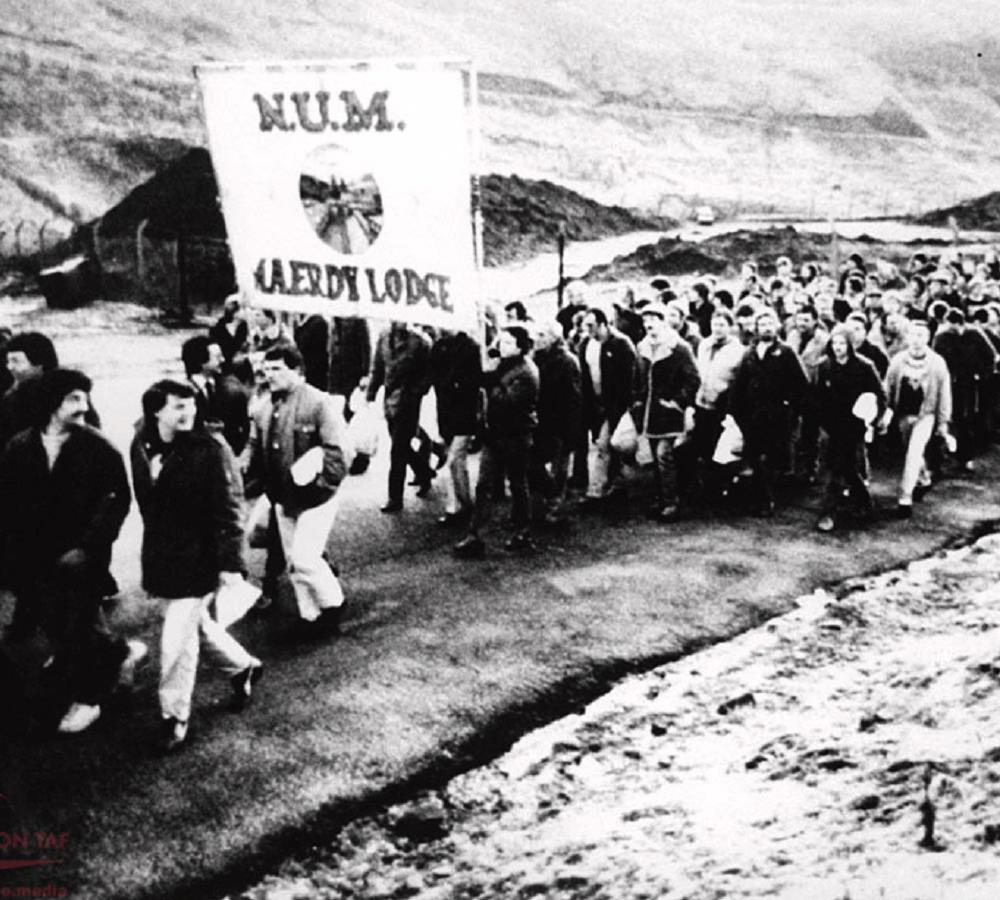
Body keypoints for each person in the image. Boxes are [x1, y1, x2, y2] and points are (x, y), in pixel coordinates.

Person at [0, 368, 144, 734]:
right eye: (73, 398)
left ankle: (90, 698)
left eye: (85, 397)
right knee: (58, 624)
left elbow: (116, 501)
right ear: (52, 403)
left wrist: (88, 547)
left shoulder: (97, 447)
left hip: (81, 561)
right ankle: (119, 654)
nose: (83, 406)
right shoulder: (20, 447)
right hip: (34, 560)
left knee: (77, 625)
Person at [131, 380, 261, 753]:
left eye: (190, 406)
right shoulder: (141, 440)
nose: (188, 414)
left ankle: (175, 718)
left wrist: (230, 563)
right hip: (162, 557)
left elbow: (230, 507)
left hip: (199, 558)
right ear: (156, 411)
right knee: (195, 629)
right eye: (178, 407)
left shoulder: (211, 448)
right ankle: (243, 667)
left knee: (175, 643)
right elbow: (147, 502)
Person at [245, 345, 349, 631]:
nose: (270, 375)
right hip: (282, 497)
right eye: (266, 370)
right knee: (293, 562)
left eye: (277, 369)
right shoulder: (263, 407)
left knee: (305, 558)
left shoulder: (318, 402)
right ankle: (309, 616)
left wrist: (322, 486)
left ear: (298, 371)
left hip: (316, 498)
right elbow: (256, 451)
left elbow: (339, 452)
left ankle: (333, 606)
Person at [454, 325, 539, 558]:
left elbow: (506, 401)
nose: (502, 345)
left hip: (516, 435)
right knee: (484, 485)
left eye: (508, 342)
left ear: (520, 347)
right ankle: (475, 535)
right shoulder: (502, 366)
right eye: (501, 341)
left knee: (518, 484)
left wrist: (490, 378)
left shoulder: (526, 372)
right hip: (495, 435)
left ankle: (523, 530)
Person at [729, 309, 808, 516]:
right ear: (756, 328)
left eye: (770, 324)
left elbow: (801, 385)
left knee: (771, 458)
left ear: (777, 327)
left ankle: (768, 499)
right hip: (753, 416)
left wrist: (791, 411)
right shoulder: (749, 353)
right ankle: (761, 498)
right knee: (755, 457)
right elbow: (739, 385)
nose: (766, 328)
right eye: (762, 324)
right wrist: (737, 412)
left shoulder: (786, 352)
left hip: (777, 416)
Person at [631, 303, 700, 521]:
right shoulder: (641, 347)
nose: (649, 325)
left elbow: (693, 379)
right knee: (653, 456)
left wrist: (677, 401)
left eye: (654, 320)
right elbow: (636, 378)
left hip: (669, 414)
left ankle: (671, 503)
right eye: (646, 321)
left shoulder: (679, 348)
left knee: (664, 455)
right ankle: (661, 498)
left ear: (663, 321)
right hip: (648, 414)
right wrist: (637, 401)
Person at [814, 325, 886, 533]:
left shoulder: (864, 366)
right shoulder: (824, 366)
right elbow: (818, 397)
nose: (838, 348)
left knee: (841, 468)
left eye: (842, 343)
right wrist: (822, 422)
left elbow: (879, 395)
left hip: (855, 424)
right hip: (832, 424)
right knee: (844, 468)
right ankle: (862, 501)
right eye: (834, 343)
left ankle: (828, 512)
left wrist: (875, 419)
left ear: (850, 345)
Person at [885, 318, 953, 517]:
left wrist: (943, 423)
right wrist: (884, 413)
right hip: (904, 414)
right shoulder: (898, 360)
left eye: (921, 336)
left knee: (914, 452)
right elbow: (887, 387)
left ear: (928, 338)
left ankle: (905, 498)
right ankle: (923, 479)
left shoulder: (937, 363)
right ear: (907, 337)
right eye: (913, 335)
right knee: (911, 452)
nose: (916, 340)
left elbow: (944, 395)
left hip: (926, 415)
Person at [367, 322, 434, 512]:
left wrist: (416, 392)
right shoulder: (383, 337)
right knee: (402, 446)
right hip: (390, 400)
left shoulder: (420, 342)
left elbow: (429, 373)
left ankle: (394, 498)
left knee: (398, 449)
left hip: (409, 401)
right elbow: (378, 368)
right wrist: (370, 394)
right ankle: (424, 472)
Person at [578, 307, 637, 506]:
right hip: (596, 404)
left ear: (603, 324)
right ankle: (617, 485)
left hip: (616, 405)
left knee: (604, 446)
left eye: (591, 325)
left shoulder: (621, 344)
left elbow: (630, 378)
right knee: (606, 445)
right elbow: (585, 377)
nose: (587, 330)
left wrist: (625, 406)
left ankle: (596, 491)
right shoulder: (586, 344)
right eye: (585, 325)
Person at [530, 319, 582, 525]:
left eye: (542, 335)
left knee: (560, 466)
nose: (537, 339)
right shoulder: (536, 359)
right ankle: (545, 500)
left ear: (554, 337)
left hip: (560, 422)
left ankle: (555, 506)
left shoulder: (567, 361)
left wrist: (572, 429)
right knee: (536, 462)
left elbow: (574, 398)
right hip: (541, 421)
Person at [430, 328, 482, 526]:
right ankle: (456, 505)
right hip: (447, 411)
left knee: (454, 460)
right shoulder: (439, 346)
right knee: (455, 460)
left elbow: (473, 381)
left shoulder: (469, 347)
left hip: (463, 412)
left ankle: (464, 505)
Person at [180, 335, 251, 456]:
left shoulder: (232, 389)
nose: (223, 360)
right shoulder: (182, 395)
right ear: (201, 362)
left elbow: (244, 426)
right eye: (217, 357)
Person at [208, 293, 249, 374]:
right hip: (222, 364)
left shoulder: (243, 326)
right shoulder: (217, 326)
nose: (246, 312)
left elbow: (243, 345)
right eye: (242, 308)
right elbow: (214, 348)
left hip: (239, 364)